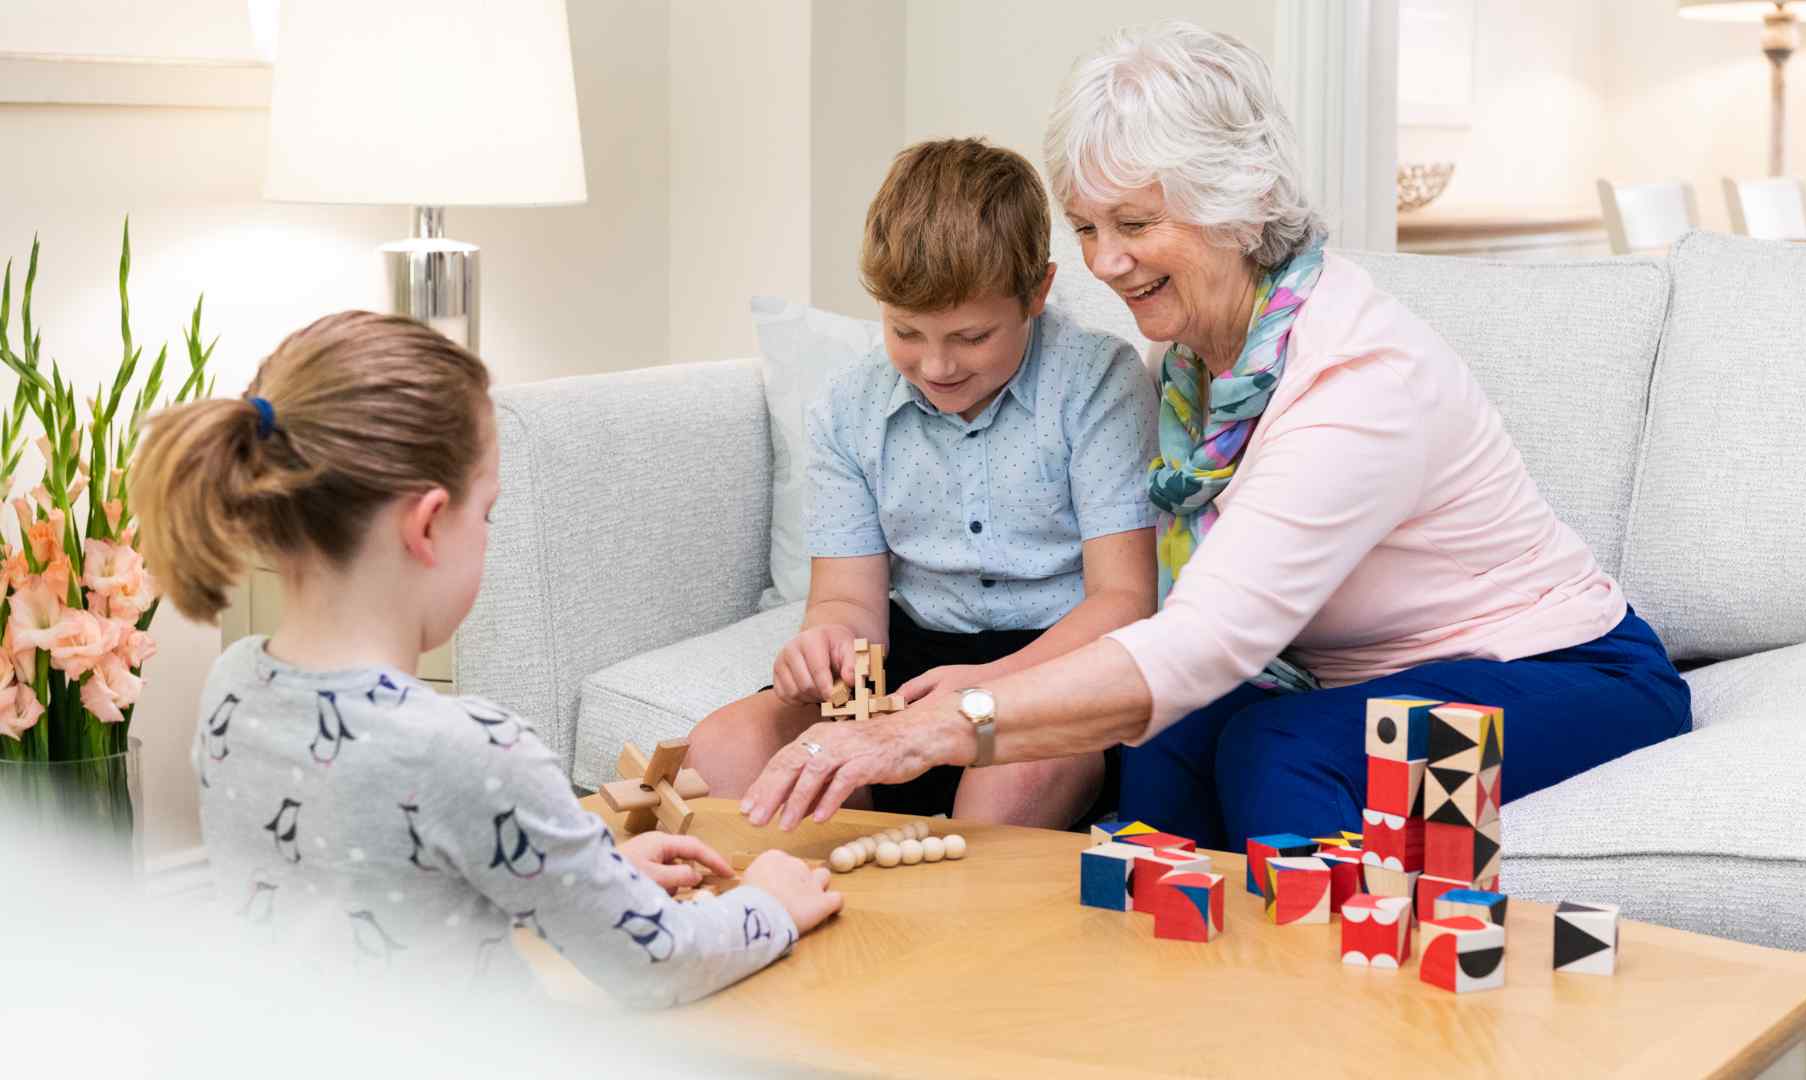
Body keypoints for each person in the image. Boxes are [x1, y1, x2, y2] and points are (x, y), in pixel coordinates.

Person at [737, 22, 1691, 849]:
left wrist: (942, 726)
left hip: (1562, 673)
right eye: (1087, 227)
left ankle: (1317, 1021)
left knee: (1274, 746)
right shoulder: (1198, 364)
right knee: (1165, 749)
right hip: (1343, 674)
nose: (1104, 264)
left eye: (1135, 223)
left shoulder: (1357, 383)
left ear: (1233, 201)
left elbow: (1203, 642)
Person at [130, 311, 840, 1006]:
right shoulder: (471, 748)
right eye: (488, 512)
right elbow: (660, 963)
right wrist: (768, 902)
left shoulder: (234, 684)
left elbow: (383, 884)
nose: (489, 535)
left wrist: (590, 877)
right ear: (428, 523)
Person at [686, 138, 1159, 827]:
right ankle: (822, 911)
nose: (936, 366)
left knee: (1022, 769)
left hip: (1054, 666)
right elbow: (846, 602)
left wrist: (988, 686)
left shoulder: (1097, 384)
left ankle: (951, 919)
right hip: (906, 670)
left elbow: (1123, 603)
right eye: (906, 331)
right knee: (724, 745)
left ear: (1038, 293)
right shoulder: (849, 407)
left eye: (971, 337)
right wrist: (826, 645)